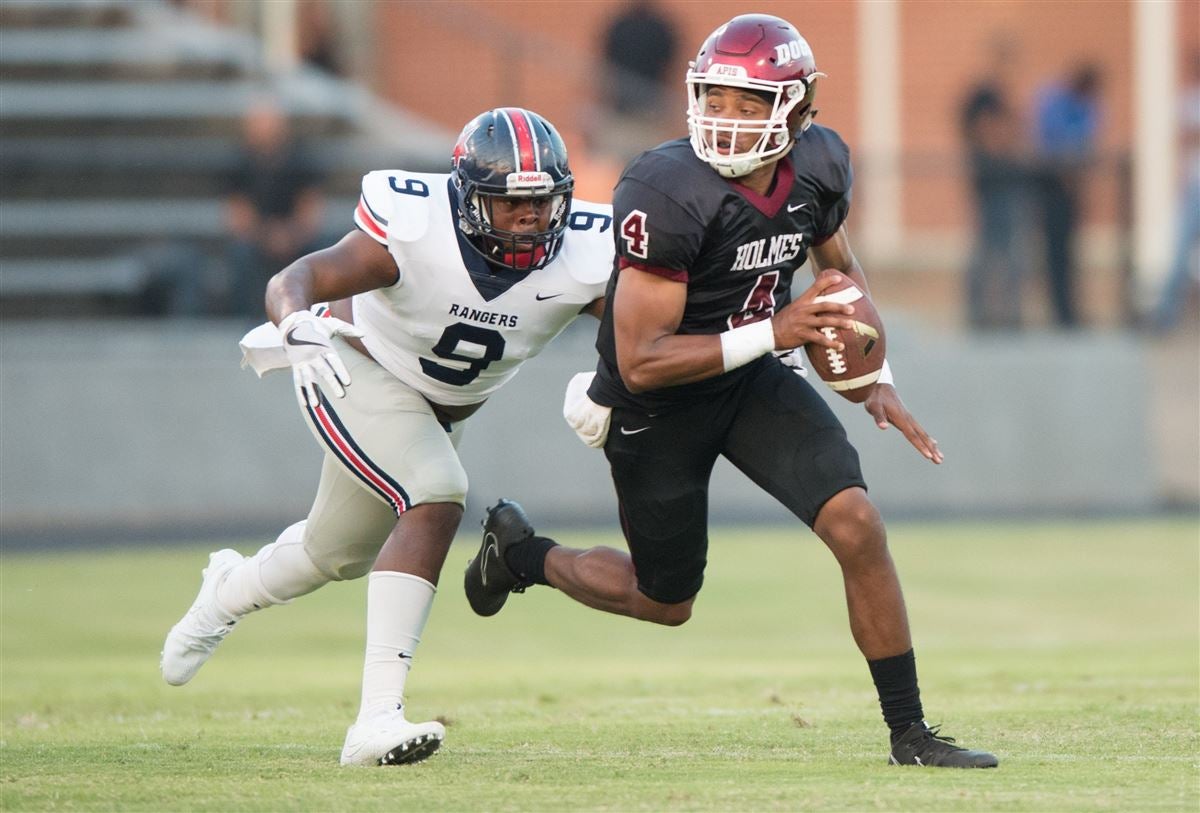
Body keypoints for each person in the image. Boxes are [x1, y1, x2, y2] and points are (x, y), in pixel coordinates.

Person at [464, 14, 999, 769]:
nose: (727, 118)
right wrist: (777, 331)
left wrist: (872, 373)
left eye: (750, 103)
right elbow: (643, 357)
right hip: (657, 401)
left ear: (799, 106)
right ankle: (523, 556)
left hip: (750, 380)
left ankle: (909, 733)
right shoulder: (666, 186)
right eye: (716, 98)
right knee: (664, 601)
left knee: (857, 523)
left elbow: (836, 268)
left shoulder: (818, 163)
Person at [160, 108, 612, 766]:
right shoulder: (415, 226)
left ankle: (222, 591)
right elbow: (295, 279)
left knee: (330, 555)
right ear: (466, 201)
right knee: (436, 491)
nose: (531, 219)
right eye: (510, 204)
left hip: (437, 408)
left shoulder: (584, 252)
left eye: (543, 203)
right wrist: (295, 324)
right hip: (350, 364)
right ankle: (375, 718)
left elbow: (644, 330)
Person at [223, 100, 325, 317]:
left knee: (323, 252)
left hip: (296, 236)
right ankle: (249, 322)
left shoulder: (302, 158)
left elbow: (310, 209)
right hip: (257, 238)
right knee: (241, 254)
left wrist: (290, 235)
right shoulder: (239, 161)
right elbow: (237, 214)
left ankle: (311, 318)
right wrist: (266, 236)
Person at [960, 35, 1030, 331]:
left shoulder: (1001, 96)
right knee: (990, 250)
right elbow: (987, 133)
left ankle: (1007, 313)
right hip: (992, 186)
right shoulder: (985, 97)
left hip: (1006, 185)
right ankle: (980, 313)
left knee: (1008, 251)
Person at [1033, 63, 1103, 328]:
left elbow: (1088, 144)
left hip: (1072, 191)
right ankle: (1059, 312)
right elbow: (1048, 145)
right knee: (1054, 254)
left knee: (1068, 253)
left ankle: (1069, 312)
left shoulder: (1086, 107)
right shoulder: (1055, 101)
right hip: (1051, 189)